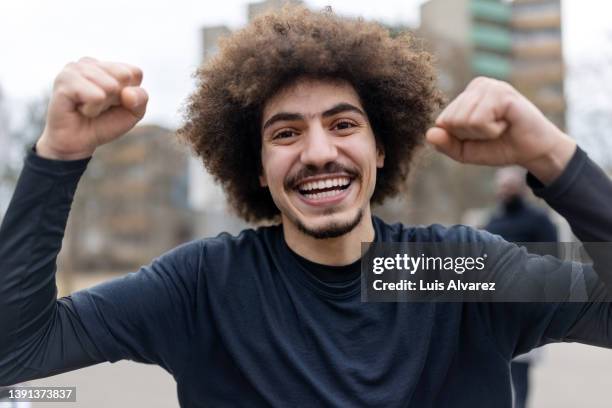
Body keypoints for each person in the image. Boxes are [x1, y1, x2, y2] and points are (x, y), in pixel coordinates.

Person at [0, 6, 611, 407]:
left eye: (343, 124)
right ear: (258, 170)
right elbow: (15, 351)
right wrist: (58, 154)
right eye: (286, 133)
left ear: (380, 148)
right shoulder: (202, 285)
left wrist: (555, 158)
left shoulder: (455, 270)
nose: (318, 152)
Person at [484, 167, 558, 408]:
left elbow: (553, 261)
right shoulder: (492, 222)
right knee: (496, 370)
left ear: (522, 188)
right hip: (494, 308)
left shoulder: (539, 221)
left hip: (526, 307)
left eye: (511, 185)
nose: (506, 189)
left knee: (520, 372)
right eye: (503, 185)